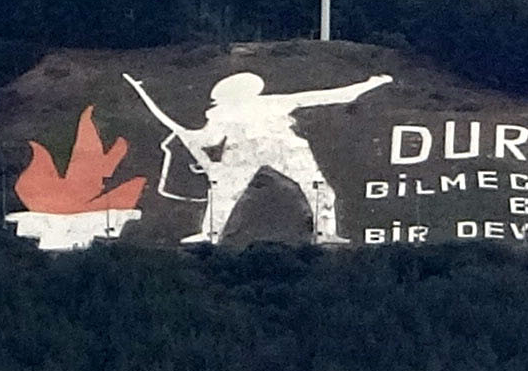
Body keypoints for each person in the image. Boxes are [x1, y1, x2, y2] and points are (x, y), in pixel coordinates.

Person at [164, 70, 390, 244]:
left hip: (281, 149)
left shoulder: (251, 106)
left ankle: (325, 234)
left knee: (317, 188)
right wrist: (190, 136)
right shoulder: (223, 112)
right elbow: (209, 140)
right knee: (223, 193)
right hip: (249, 151)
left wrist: (371, 84)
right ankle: (210, 235)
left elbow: (333, 96)